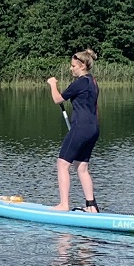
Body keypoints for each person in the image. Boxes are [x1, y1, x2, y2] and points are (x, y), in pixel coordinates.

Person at [46, 49, 101, 212]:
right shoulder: (93, 82)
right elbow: (93, 106)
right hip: (93, 128)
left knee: (62, 164)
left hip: (81, 127)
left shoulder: (80, 82)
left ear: (82, 66)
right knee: (81, 168)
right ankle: (92, 207)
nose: (71, 69)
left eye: (73, 66)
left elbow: (57, 99)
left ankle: (63, 204)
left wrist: (52, 84)